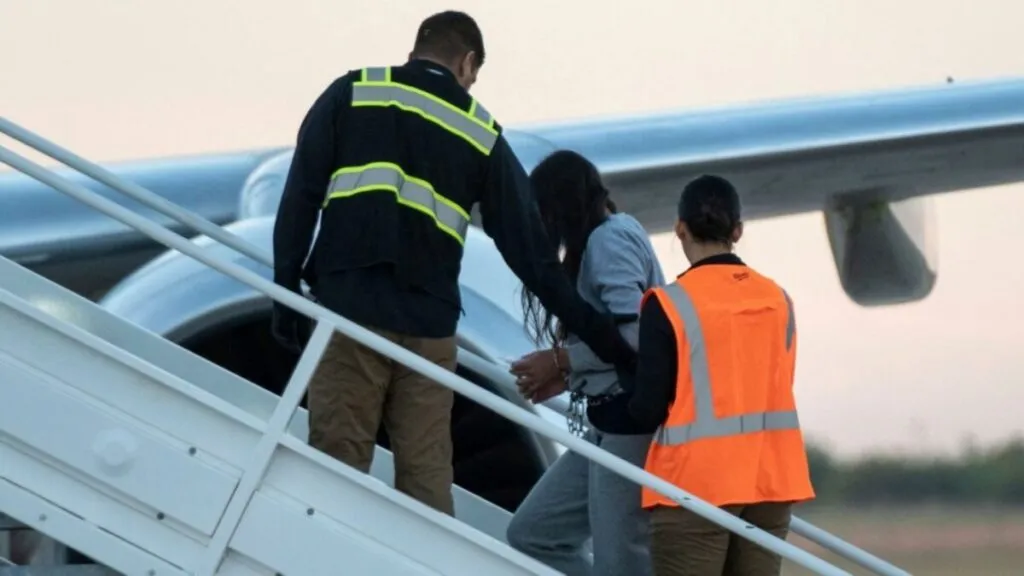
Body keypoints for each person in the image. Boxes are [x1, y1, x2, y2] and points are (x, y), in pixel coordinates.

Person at [270, 11, 636, 517]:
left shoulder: (354, 92)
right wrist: (608, 340)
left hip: (351, 314)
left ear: (415, 50)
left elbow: (300, 196)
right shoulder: (481, 132)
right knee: (426, 482)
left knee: (337, 467)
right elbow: (532, 257)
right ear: (466, 63)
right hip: (429, 330)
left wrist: (284, 289)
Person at [627, 175, 816, 576]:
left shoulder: (668, 304)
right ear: (737, 231)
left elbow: (646, 410)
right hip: (770, 481)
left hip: (695, 487)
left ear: (680, 229)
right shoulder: (778, 299)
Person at [504, 150, 663, 576]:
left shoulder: (608, 241)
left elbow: (636, 336)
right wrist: (571, 374)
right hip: (606, 421)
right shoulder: (610, 235)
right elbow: (617, 342)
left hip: (628, 425)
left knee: (619, 564)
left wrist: (562, 360)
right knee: (533, 533)